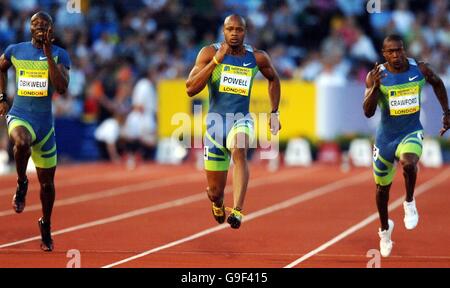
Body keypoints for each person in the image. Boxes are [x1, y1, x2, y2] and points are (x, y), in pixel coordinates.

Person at [186, 14, 281, 229]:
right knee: (214, 192)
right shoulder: (209, 52)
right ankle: (218, 203)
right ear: (224, 31)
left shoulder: (256, 58)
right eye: (230, 29)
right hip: (215, 126)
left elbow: (273, 79)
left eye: (239, 29)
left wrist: (274, 112)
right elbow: (191, 88)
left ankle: (238, 210)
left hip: (241, 120)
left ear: (245, 32)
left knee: (239, 150)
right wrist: (216, 61)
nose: (234, 33)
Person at [363, 34, 449, 257]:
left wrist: (447, 113)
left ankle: (409, 201)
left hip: (411, 131)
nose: (396, 55)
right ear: (384, 54)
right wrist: (375, 88)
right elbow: (367, 111)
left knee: (409, 163)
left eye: (399, 50)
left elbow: (438, 83)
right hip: (385, 138)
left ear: (404, 50)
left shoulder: (420, 70)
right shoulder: (376, 76)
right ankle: (384, 230)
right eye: (391, 52)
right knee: (382, 190)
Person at [0, 11, 70, 251]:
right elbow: (1, 67)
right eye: (36, 25)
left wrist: (48, 53)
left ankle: (46, 224)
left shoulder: (61, 54)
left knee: (48, 185)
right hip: (20, 115)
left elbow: (61, 88)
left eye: (44, 25)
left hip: (45, 126)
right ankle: (21, 183)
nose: (40, 28)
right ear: (30, 28)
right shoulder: (15, 50)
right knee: (21, 142)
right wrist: (1, 97)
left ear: (51, 29)